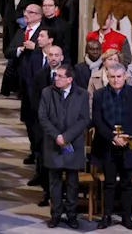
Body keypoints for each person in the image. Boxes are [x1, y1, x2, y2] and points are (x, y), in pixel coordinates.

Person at [39, 63, 90, 229]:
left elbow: (84, 119)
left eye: (60, 76)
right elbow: (43, 117)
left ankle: (71, 215)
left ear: (70, 79)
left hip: (73, 143)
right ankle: (55, 214)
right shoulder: (47, 92)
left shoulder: (82, 94)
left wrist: (67, 137)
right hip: (53, 143)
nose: (56, 78)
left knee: (72, 182)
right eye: (55, 75)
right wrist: (57, 136)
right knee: (54, 181)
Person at [91, 62, 132, 230]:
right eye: (112, 77)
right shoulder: (99, 95)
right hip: (107, 145)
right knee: (109, 183)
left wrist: (126, 137)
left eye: (119, 77)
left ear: (125, 76)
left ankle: (127, 218)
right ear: (107, 76)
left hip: (129, 145)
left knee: (127, 183)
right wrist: (113, 137)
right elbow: (97, 120)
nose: (115, 80)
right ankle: (106, 216)